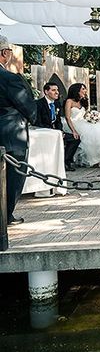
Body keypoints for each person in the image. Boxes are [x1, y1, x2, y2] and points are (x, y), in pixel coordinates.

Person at [0, 35, 37, 225]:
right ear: (4, 53)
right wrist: (33, 117)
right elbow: (26, 104)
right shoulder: (9, 78)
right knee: (14, 176)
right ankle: (6, 215)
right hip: (10, 133)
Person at [34, 81, 80, 172]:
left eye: (57, 90)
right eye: (53, 90)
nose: (57, 92)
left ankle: (65, 162)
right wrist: (52, 131)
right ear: (46, 92)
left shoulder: (57, 104)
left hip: (55, 132)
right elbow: (37, 122)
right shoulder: (38, 104)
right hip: (44, 132)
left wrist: (60, 131)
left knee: (75, 139)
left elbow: (58, 121)